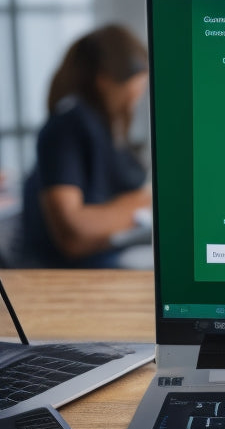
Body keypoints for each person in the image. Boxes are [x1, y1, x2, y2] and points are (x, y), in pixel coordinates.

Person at [21, 24, 152, 268]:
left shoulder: (107, 127)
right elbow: (73, 232)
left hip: (111, 253)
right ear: (104, 79)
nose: (140, 92)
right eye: (137, 83)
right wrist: (141, 200)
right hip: (78, 270)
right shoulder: (69, 125)